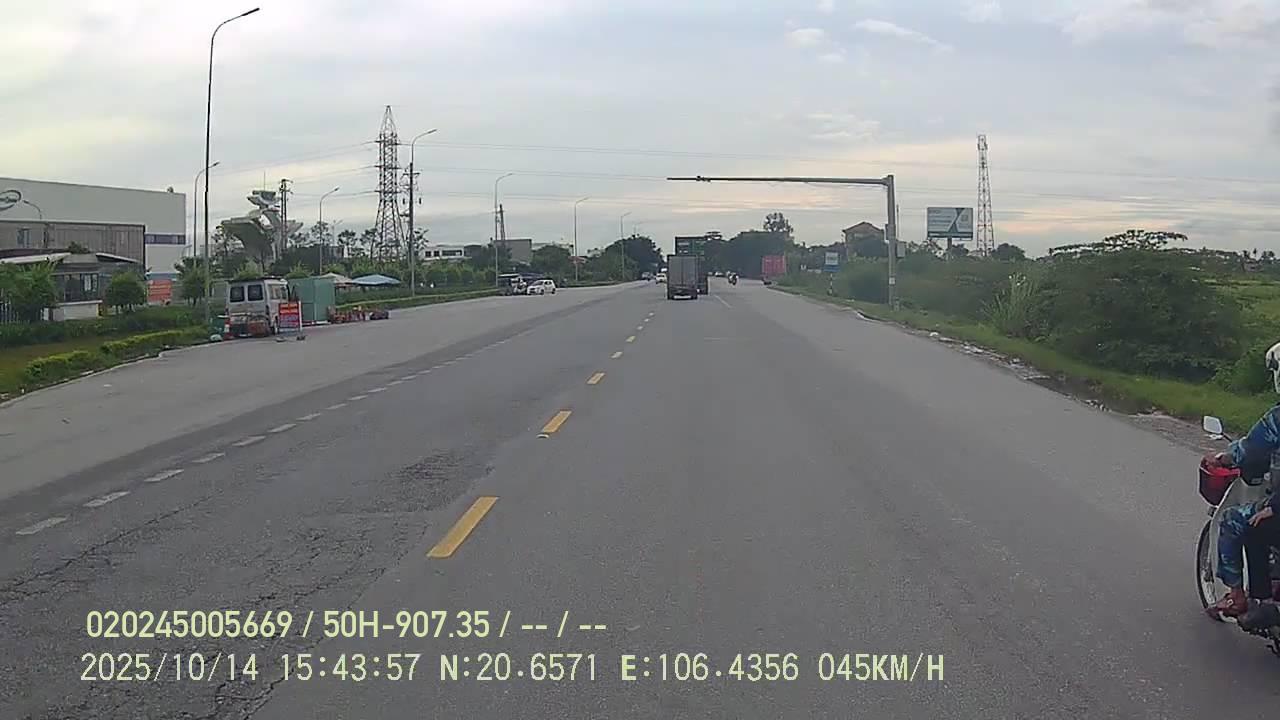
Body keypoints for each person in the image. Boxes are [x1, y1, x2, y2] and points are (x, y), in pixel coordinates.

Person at [1206, 341, 1280, 618]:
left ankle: (1243, 598)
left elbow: (1250, 450)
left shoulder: (1277, 419)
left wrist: (1223, 457)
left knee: (1236, 521)